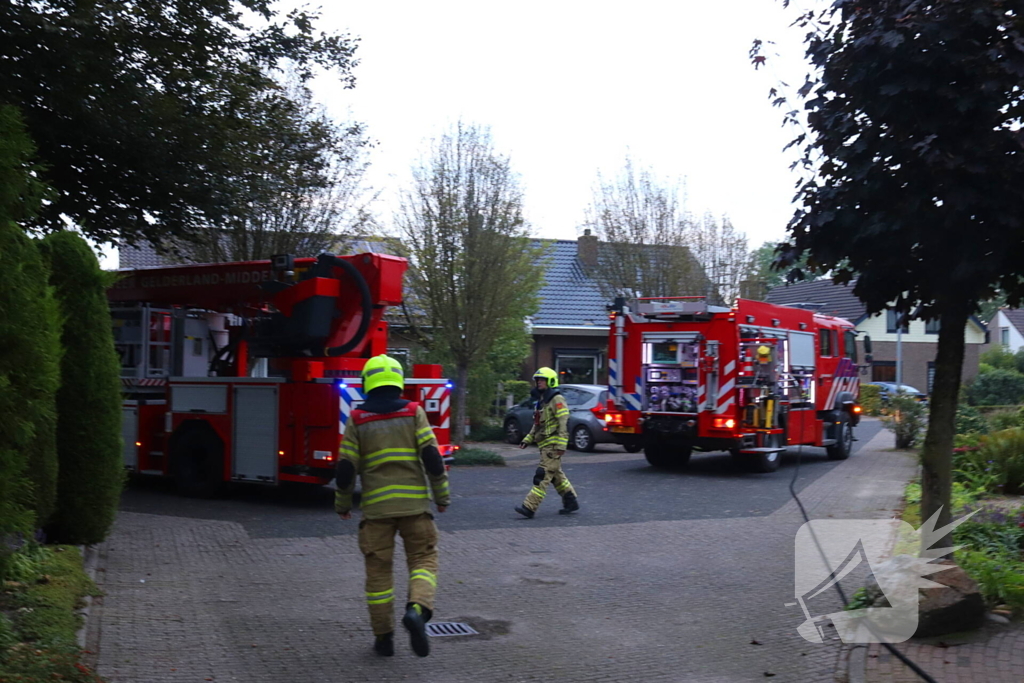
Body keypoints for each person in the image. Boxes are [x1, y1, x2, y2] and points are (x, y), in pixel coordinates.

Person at [335, 354, 451, 658]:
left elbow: (346, 467)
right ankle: (417, 610)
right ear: (398, 381)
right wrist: (441, 497)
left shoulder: (358, 419)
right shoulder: (414, 412)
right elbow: (432, 458)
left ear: (367, 383)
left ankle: (384, 639)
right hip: (415, 508)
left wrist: (342, 504)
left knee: (378, 575)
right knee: (424, 560)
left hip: (376, 512)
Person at [514, 367, 580, 518]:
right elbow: (538, 424)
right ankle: (571, 501)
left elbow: (563, 422)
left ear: (550, 381)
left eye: (542, 380)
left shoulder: (557, 399)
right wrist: (527, 439)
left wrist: (561, 445)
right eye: (538, 380)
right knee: (556, 476)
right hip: (545, 446)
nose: (539, 382)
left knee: (542, 476)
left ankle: (529, 507)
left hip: (553, 447)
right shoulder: (542, 401)